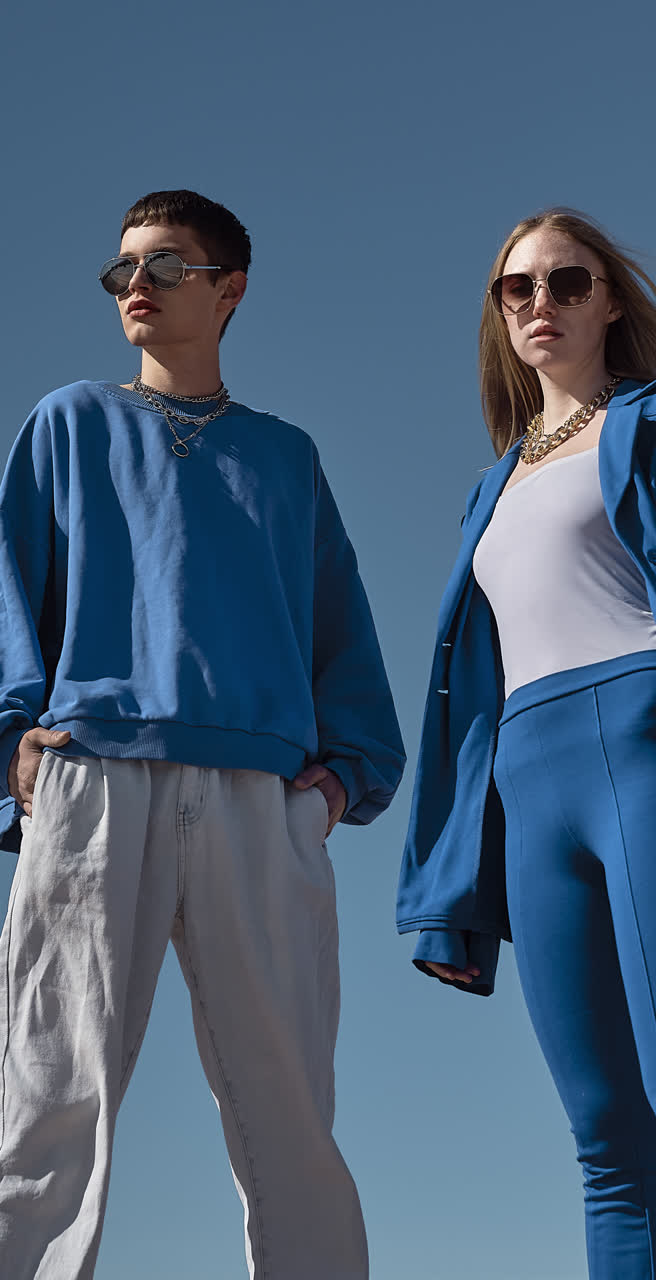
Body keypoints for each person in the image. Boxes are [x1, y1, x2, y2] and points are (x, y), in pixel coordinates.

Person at [0, 188, 405, 1280]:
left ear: (230, 289)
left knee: (291, 1118)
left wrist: (334, 787)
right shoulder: (69, 422)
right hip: (95, 781)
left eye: (167, 265)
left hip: (261, 797)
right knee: (50, 1104)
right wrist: (3, 745)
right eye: (123, 270)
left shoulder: (286, 459)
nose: (135, 285)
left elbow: (342, 631)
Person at [397, 207, 656, 1277]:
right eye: (518, 288)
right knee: (605, 1136)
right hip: (529, 781)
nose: (539, 302)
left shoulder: (649, 421)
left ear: (610, 301)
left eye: (565, 281)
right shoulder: (489, 487)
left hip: (643, 739)